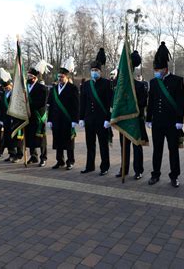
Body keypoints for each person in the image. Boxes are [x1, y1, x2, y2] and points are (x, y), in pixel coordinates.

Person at [146, 42, 184, 187]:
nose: (156, 71)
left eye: (158, 69)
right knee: (157, 150)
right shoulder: (153, 82)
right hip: (157, 122)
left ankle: (174, 176)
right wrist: (148, 118)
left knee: (173, 150)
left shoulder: (177, 81)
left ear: (165, 68)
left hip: (172, 123)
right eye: (155, 69)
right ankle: (155, 174)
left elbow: (181, 101)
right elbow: (151, 101)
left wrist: (180, 120)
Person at [115, 51, 149, 180]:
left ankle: (138, 170)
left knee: (137, 146)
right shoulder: (121, 86)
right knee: (124, 147)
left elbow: (142, 103)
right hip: (123, 119)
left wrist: (130, 108)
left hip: (135, 120)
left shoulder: (141, 85)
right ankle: (124, 169)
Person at [80, 48, 113, 176]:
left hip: (102, 120)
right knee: (90, 144)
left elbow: (110, 103)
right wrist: (81, 118)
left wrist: (108, 119)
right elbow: (83, 103)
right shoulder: (86, 85)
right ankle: (89, 166)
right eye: (92, 70)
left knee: (103, 145)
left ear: (100, 71)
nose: (94, 72)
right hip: (89, 119)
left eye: (96, 71)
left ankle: (105, 167)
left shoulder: (106, 84)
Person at [47, 57, 79, 170]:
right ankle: (59, 160)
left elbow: (76, 105)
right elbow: (50, 105)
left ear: (67, 77)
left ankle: (70, 161)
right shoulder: (53, 89)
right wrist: (49, 120)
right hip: (56, 119)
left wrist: (75, 120)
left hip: (68, 119)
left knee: (69, 141)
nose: (60, 78)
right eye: (58, 77)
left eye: (62, 77)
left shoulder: (73, 88)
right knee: (58, 140)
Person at [25, 60, 50, 167]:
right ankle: (33, 156)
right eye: (28, 75)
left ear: (35, 77)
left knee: (41, 138)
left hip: (38, 116)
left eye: (30, 76)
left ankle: (43, 157)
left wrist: (29, 107)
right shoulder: (25, 87)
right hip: (28, 116)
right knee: (29, 136)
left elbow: (42, 102)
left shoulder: (42, 88)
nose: (29, 78)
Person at [0, 70, 24, 163]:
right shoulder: (3, 94)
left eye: (7, 87)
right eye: (4, 87)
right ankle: (11, 153)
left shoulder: (16, 94)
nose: (6, 88)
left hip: (15, 119)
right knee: (8, 137)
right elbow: (1, 107)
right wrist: (1, 119)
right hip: (6, 119)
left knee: (17, 138)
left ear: (11, 85)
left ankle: (19, 154)